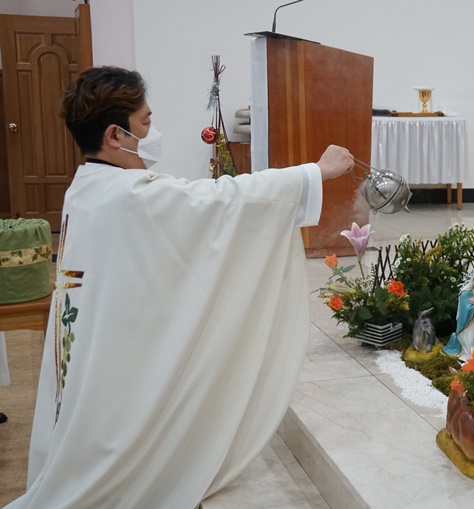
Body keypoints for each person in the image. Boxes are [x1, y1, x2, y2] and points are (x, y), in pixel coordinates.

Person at [6, 66, 353, 508]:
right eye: (145, 122)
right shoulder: (129, 194)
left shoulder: (87, 185)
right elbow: (223, 200)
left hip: (100, 351)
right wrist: (314, 173)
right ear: (114, 135)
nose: (152, 134)